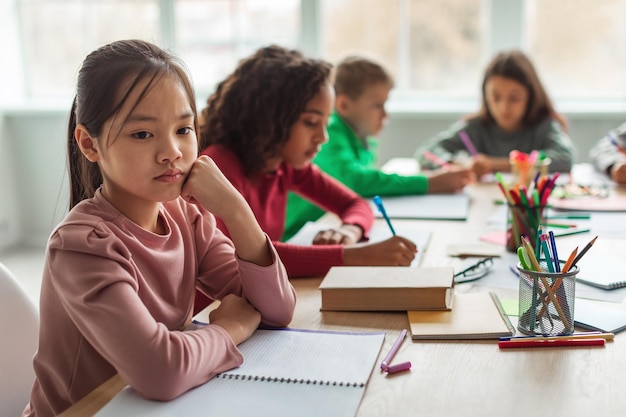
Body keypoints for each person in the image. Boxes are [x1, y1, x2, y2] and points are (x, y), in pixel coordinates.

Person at [23, 40, 296, 417]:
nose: (172, 151)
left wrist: (236, 211)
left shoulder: (187, 217)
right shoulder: (81, 246)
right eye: (142, 134)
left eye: (184, 129)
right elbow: (159, 371)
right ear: (90, 144)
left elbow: (276, 310)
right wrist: (229, 329)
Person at [196, 45, 417, 311]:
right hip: (211, 314)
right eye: (311, 123)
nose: (323, 137)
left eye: (326, 122)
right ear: (270, 119)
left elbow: (355, 204)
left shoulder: (284, 163)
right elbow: (240, 257)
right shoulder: (218, 166)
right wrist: (353, 255)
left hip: (257, 304)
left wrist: (349, 230)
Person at [284, 56, 474, 240]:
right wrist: (429, 183)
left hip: (329, 230)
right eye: (377, 105)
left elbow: (359, 195)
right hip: (296, 237)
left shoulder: (364, 141)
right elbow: (356, 181)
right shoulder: (330, 134)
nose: (385, 114)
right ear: (343, 104)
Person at [415, 49, 575, 178]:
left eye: (514, 98)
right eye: (495, 97)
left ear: (531, 96)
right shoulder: (475, 127)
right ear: (485, 95)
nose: (503, 107)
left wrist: (495, 164)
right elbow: (426, 151)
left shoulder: (543, 126)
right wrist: (456, 163)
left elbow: (565, 158)